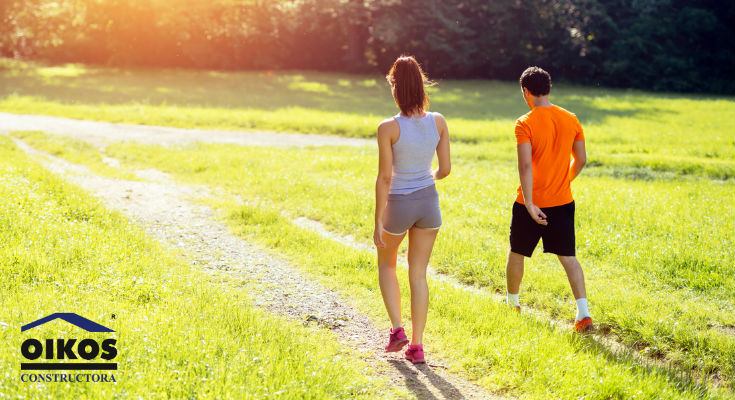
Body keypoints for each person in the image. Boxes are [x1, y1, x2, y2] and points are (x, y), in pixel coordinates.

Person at [373, 55, 451, 364]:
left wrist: (378, 220)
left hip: (399, 204)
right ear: (421, 86)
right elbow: (444, 170)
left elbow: (385, 178)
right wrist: (425, 179)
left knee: (387, 265)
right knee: (418, 273)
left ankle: (397, 331)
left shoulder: (388, 127)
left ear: (395, 88)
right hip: (428, 204)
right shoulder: (439, 121)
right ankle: (417, 346)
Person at [506, 66, 593, 333]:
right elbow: (581, 160)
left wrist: (531, 203)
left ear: (526, 91)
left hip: (529, 202)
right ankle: (583, 314)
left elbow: (525, 167)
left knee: (517, 253)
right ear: (549, 88)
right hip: (563, 201)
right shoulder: (571, 118)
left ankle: (513, 305)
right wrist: (564, 181)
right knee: (568, 257)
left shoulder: (525, 123)